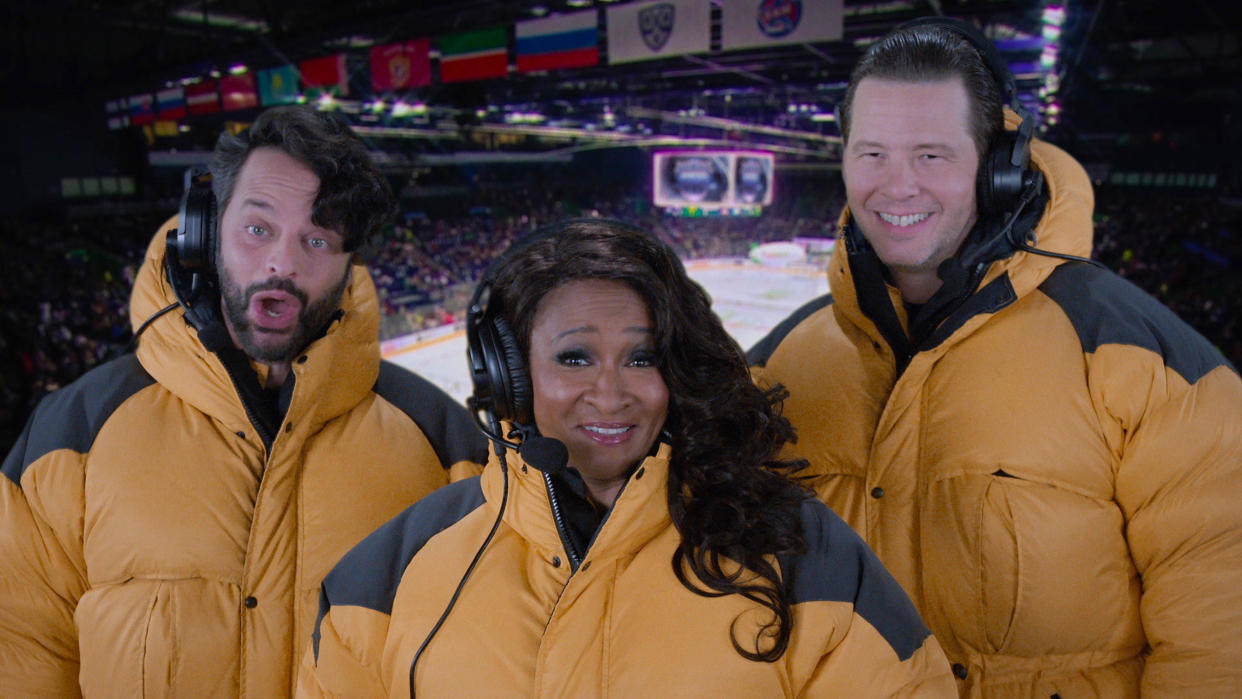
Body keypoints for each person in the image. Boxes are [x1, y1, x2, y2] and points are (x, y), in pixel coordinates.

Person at [748, 17, 1242, 698]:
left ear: (1000, 168)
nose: (896, 187)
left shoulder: (1147, 363)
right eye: (872, 154)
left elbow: (1221, 641)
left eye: (931, 154)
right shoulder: (776, 365)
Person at [298, 219, 956, 698]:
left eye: (642, 357)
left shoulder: (808, 553)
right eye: (574, 357)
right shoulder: (387, 575)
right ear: (509, 376)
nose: (609, 394)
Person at [0, 105, 487, 697]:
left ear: (348, 261)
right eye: (259, 229)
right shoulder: (72, 434)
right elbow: (21, 653)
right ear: (204, 233)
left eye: (317, 237)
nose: (283, 263)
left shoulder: (444, 445)